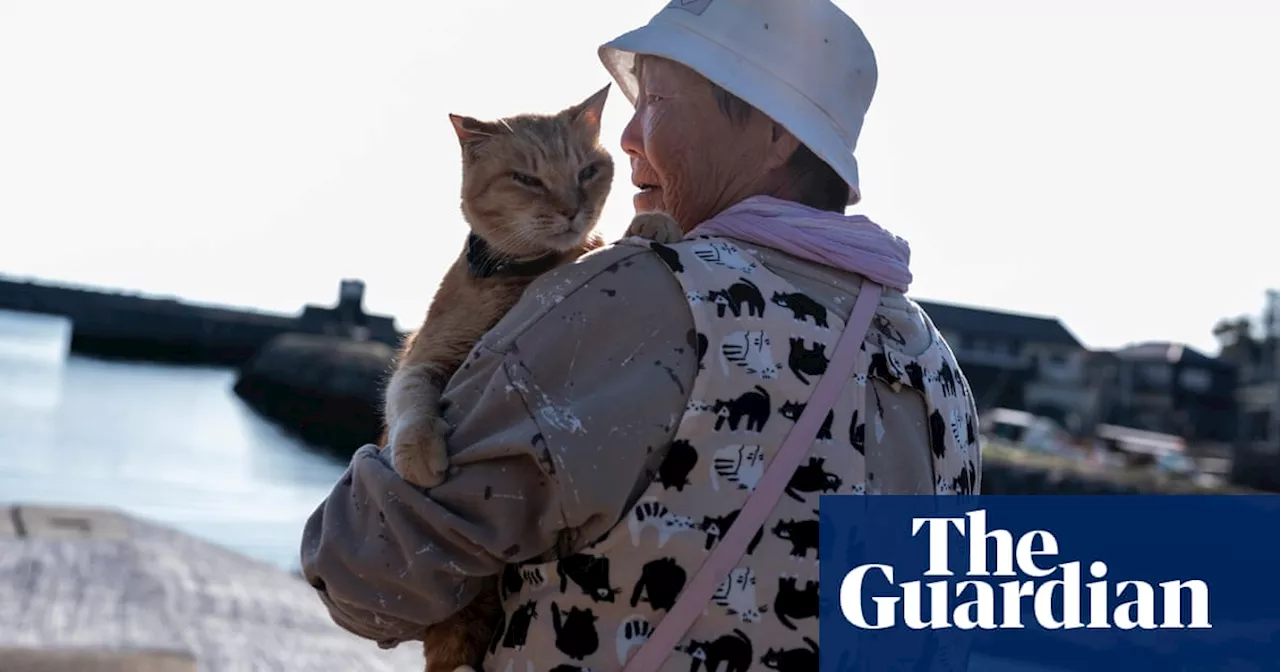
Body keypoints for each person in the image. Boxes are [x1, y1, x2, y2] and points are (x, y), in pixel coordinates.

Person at [300, 0, 981, 669]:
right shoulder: (936, 370)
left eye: (656, 101)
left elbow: (373, 573)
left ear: (778, 134)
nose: (626, 138)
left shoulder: (645, 293)